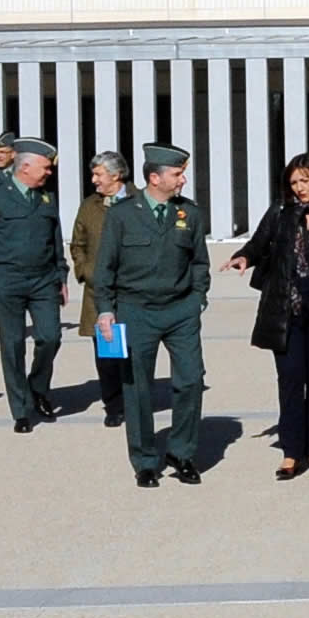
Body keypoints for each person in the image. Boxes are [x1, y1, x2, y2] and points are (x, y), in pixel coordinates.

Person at [94, 142, 212, 488]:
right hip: (135, 310)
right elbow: (105, 268)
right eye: (177, 174)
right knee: (138, 388)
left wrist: (197, 299)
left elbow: (199, 262)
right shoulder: (121, 214)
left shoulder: (189, 214)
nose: (182, 181)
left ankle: (182, 452)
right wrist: (105, 310)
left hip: (180, 311)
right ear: (154, 177)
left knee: (191, 379)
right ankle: (145, 459)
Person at [225, 153, 309, 480]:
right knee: (291, 380)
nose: (299, 188)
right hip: (287, 309)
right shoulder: (281, 212)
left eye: (304, 180)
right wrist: (243, 258)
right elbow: (258, 243)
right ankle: (292, 452)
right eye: (294, 182)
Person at [0, 137, 68, 433]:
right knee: (12, 345)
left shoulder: (46, 197)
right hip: (8, 280)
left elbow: (55, 241)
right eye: (45, 167)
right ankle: (21, 408)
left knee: (50, 337)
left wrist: (61, 275)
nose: (49, 173)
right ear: (25, 166)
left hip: (43, 280)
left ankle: (38, 387)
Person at [71, 150, 133, 428]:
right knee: (107, 353)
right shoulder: (89, 206)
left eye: (98, 174)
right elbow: (78, 243)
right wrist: (85, 270)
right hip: (99, 292)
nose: (94, 180)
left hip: (133, 292)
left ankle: (135, 400)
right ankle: (114, 404)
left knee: (134, 350)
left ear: (116, 175)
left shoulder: (139, 201)